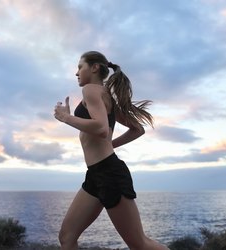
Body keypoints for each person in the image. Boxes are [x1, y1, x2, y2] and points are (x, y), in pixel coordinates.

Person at [54, 51, 168, 250]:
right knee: (66, 237)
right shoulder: (106, 97)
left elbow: (100, 128)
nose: (77, 72)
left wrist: (66, 118)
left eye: (80, 67)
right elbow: (137, 129)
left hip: (109, 174)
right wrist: (110, 145)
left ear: (95, 67)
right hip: (95, 175)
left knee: (140, 244)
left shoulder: (91, 90)